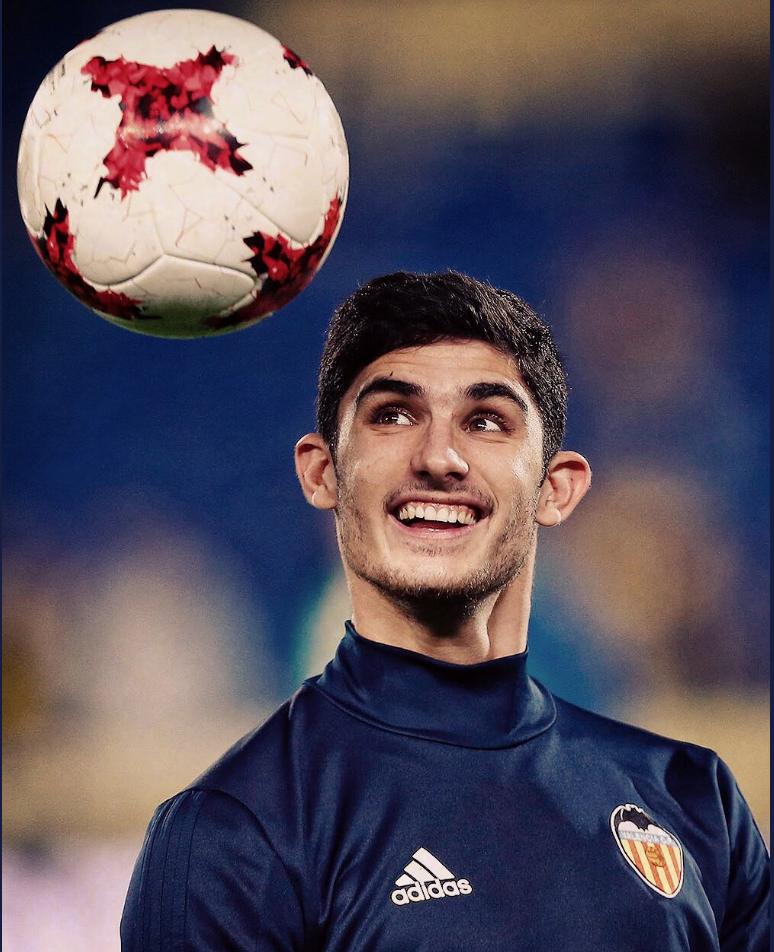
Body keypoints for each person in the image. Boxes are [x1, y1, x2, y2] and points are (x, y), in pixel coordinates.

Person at [120, 270, 769, 951]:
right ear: (323, 473)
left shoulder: (694, 801)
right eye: (393, 415)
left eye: (485, 421)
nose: (439, 457)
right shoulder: (233, 836)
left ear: (556, 489)